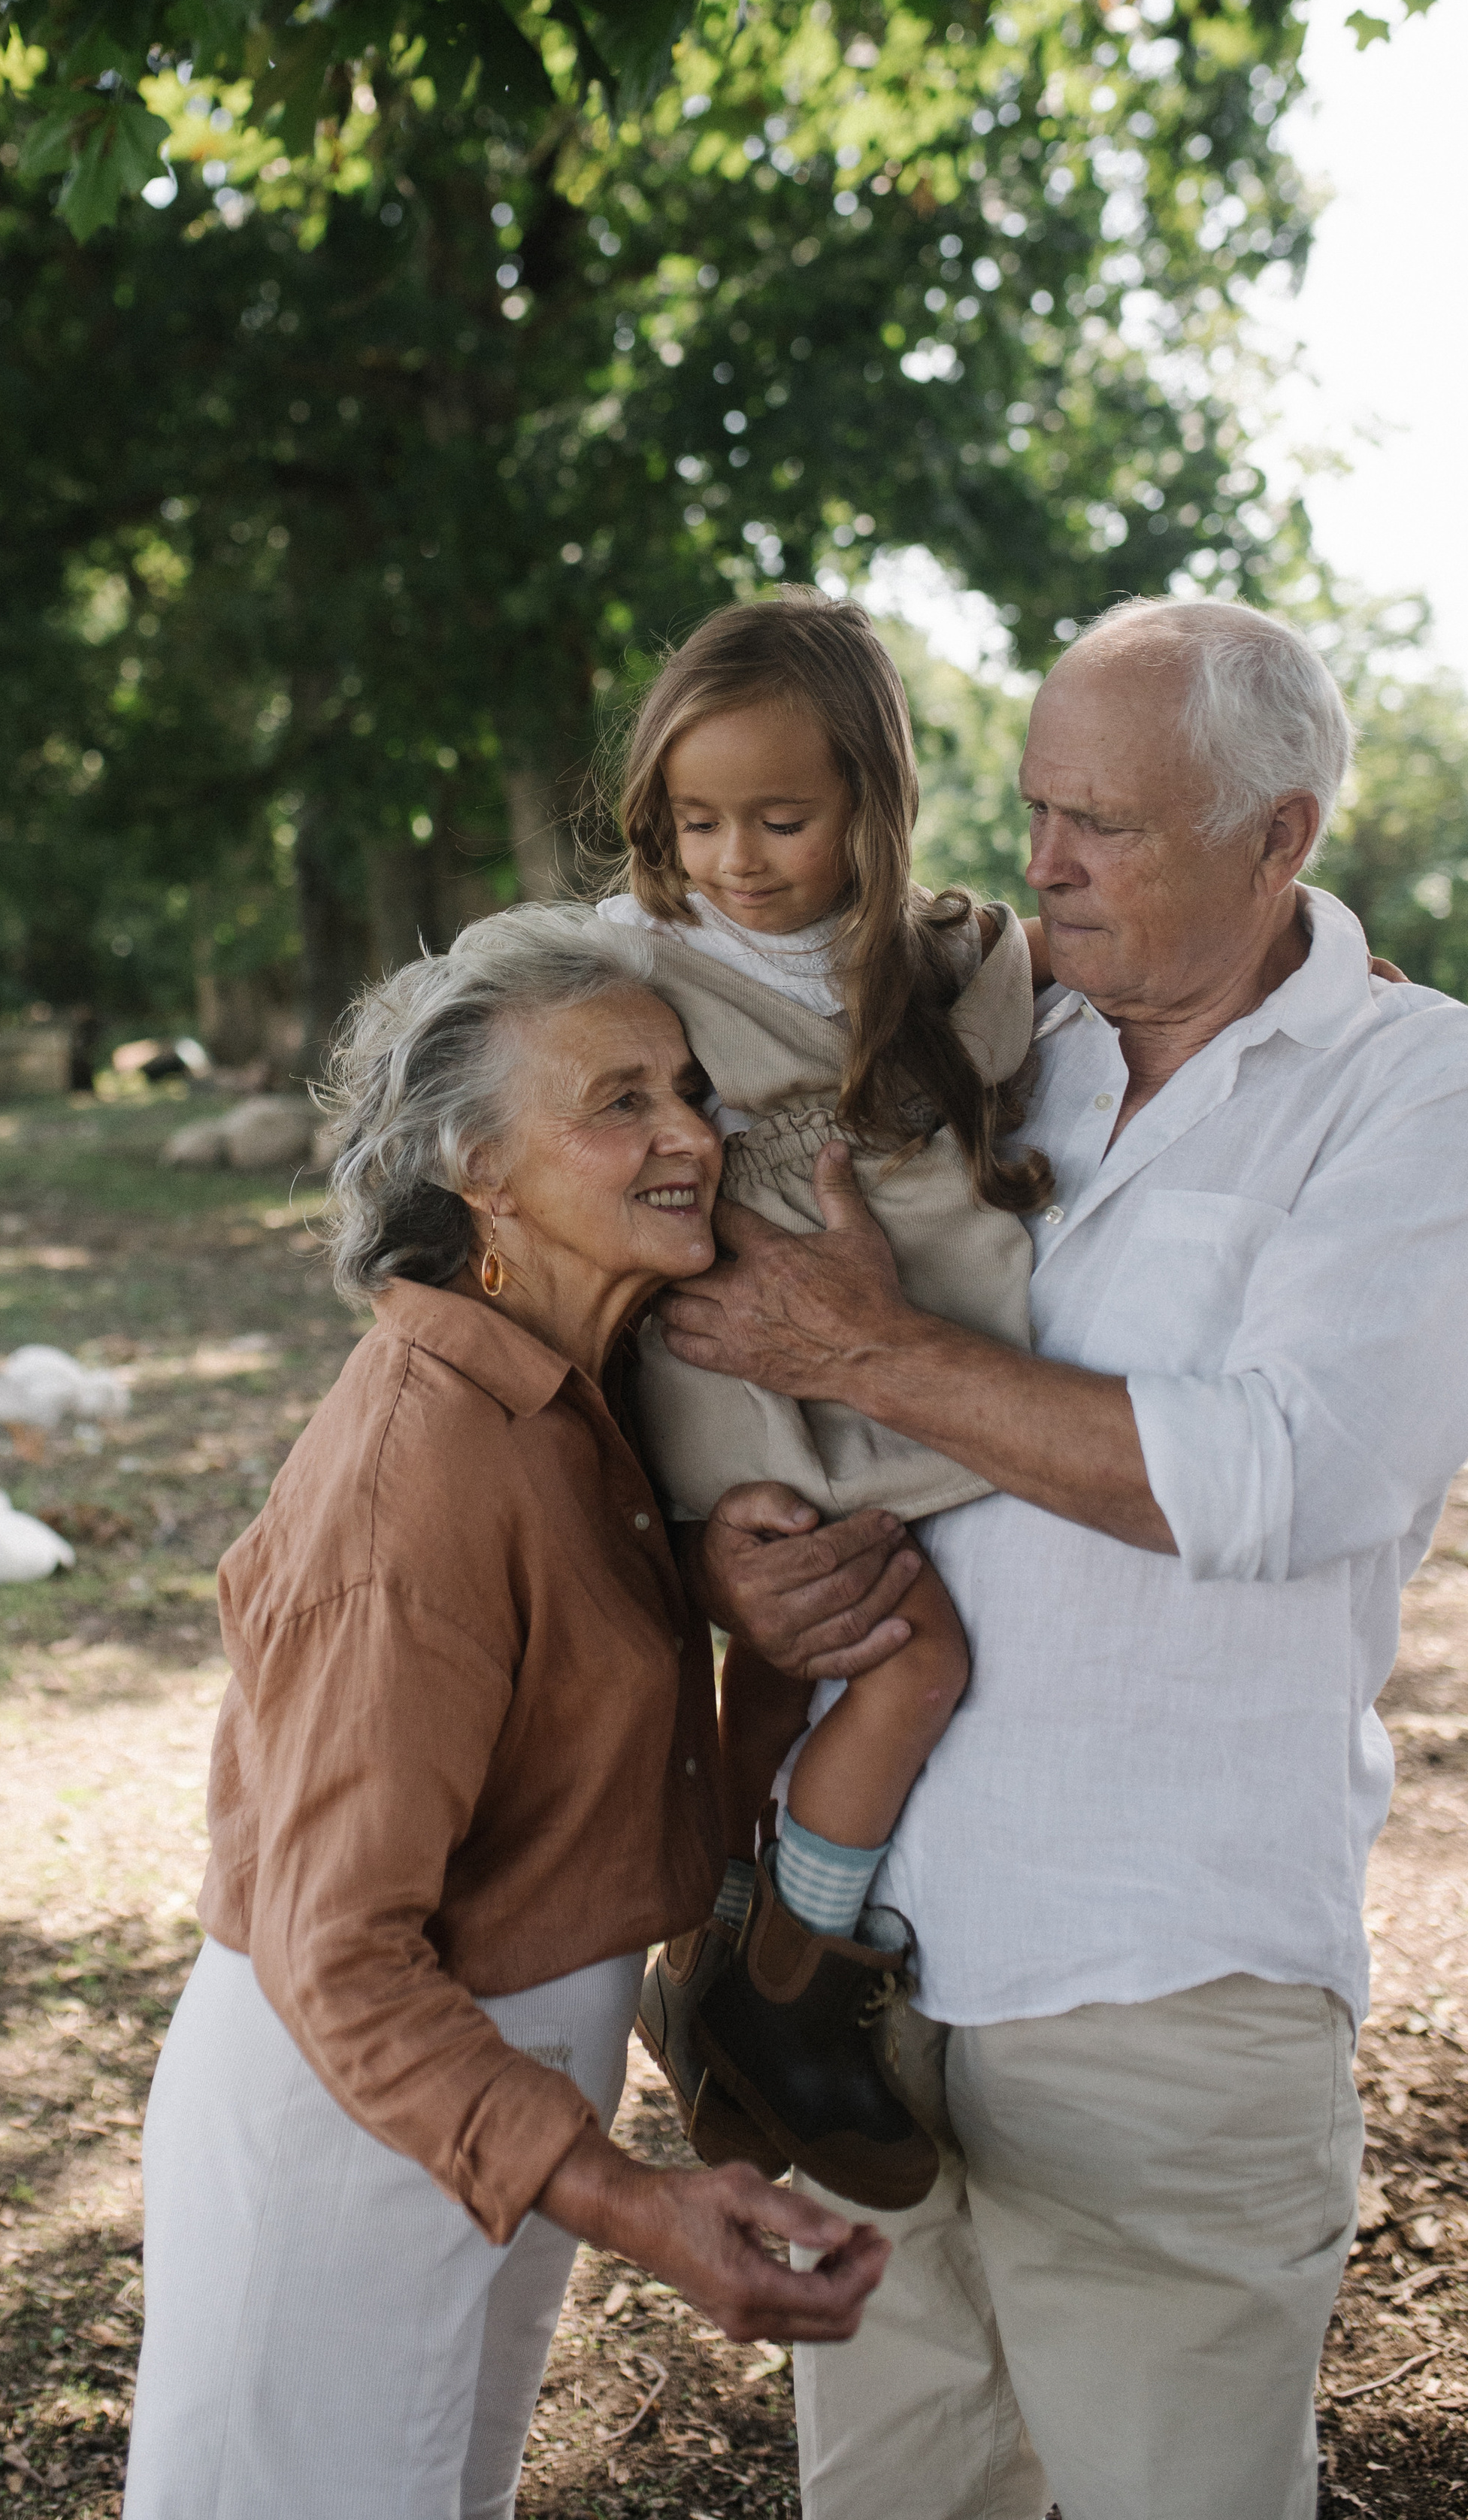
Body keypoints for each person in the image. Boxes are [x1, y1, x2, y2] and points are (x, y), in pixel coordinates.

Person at [654, 594, 1468, 2520]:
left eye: (1108, 826)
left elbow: (1276, 1475)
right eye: (1038, 805)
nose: (1041, 861)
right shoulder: (991, 1035)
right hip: (853, 1973)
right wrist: (747, 1564)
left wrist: (866, 1352)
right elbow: (780, 1376)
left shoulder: (1425, 1093)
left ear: (1280, 834)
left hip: (1160, 1981)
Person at [121, 907, 894, 2520]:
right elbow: (339, 1953)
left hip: (467, 2101)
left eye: (685, 1087)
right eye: (617, 1102)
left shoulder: (557, 1401)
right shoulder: (420, 1472)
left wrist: (698, 1582)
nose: (691, 1132)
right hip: (361, 2116)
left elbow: (533, 1667)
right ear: (479, 1169)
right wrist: (630, 2201)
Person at [586, 595, 1049, 2205]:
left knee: (808, 1677)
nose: (733, 859)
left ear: (869, 801)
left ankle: (722, 1960)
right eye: (695, 820)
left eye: (779, 817)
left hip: (875, 1383)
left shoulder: (929, 970)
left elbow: (1063, 1005)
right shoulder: (633, 972)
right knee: (887, 1658)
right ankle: (784, 1972)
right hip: (738, 1395)